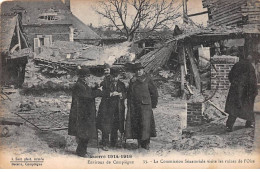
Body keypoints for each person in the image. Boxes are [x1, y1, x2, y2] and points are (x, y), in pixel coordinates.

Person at [68, 68, 102, 157]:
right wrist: (99, 91)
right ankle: (81, 152)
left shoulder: (82, 84)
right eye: (88, 76)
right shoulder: (79, 85)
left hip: (85, 112)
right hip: (82, 114)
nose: (89, 78)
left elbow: (88, 91)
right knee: (84, 133)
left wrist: (95, 88)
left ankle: (82, 151)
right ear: (83, 77)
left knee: (86, 133)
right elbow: (88, 95)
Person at [125, 63, 158, 150]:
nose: (138, 72)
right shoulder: (133, 81)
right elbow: (129, 93)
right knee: (137, 124)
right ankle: (139, 142)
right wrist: (129, 104)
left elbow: (154, 93)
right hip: (135, 106)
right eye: (136, 70)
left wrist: (153, 104)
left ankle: (146, 143)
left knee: (146, 125)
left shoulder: (148, 79)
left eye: (140, 70)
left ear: (143, 70)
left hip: (145, 106)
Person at [225, 54, 258, 132]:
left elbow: (230, 76)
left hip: (235, 89)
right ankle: (249, 123)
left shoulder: (237, 64)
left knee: (234, 108)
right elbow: (252, 81)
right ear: (252, 60)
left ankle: (229, 126)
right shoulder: (250, 67)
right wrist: (254, 91)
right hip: (246, 91)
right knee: (249, 106)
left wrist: (234, 84)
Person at [97, 68, 126, 151]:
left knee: (116, 125)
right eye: (113, 76)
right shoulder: (105, 83)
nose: (115, 78)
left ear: (119, 76)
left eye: (116, 76)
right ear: (111, 75)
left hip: (118, 108)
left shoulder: (122, 84)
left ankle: (114, 142)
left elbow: (126, 94)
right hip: (107, 108)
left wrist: (121, 95)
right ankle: (105, 143)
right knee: (106, 126)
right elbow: (100, 92)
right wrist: (110, 94)